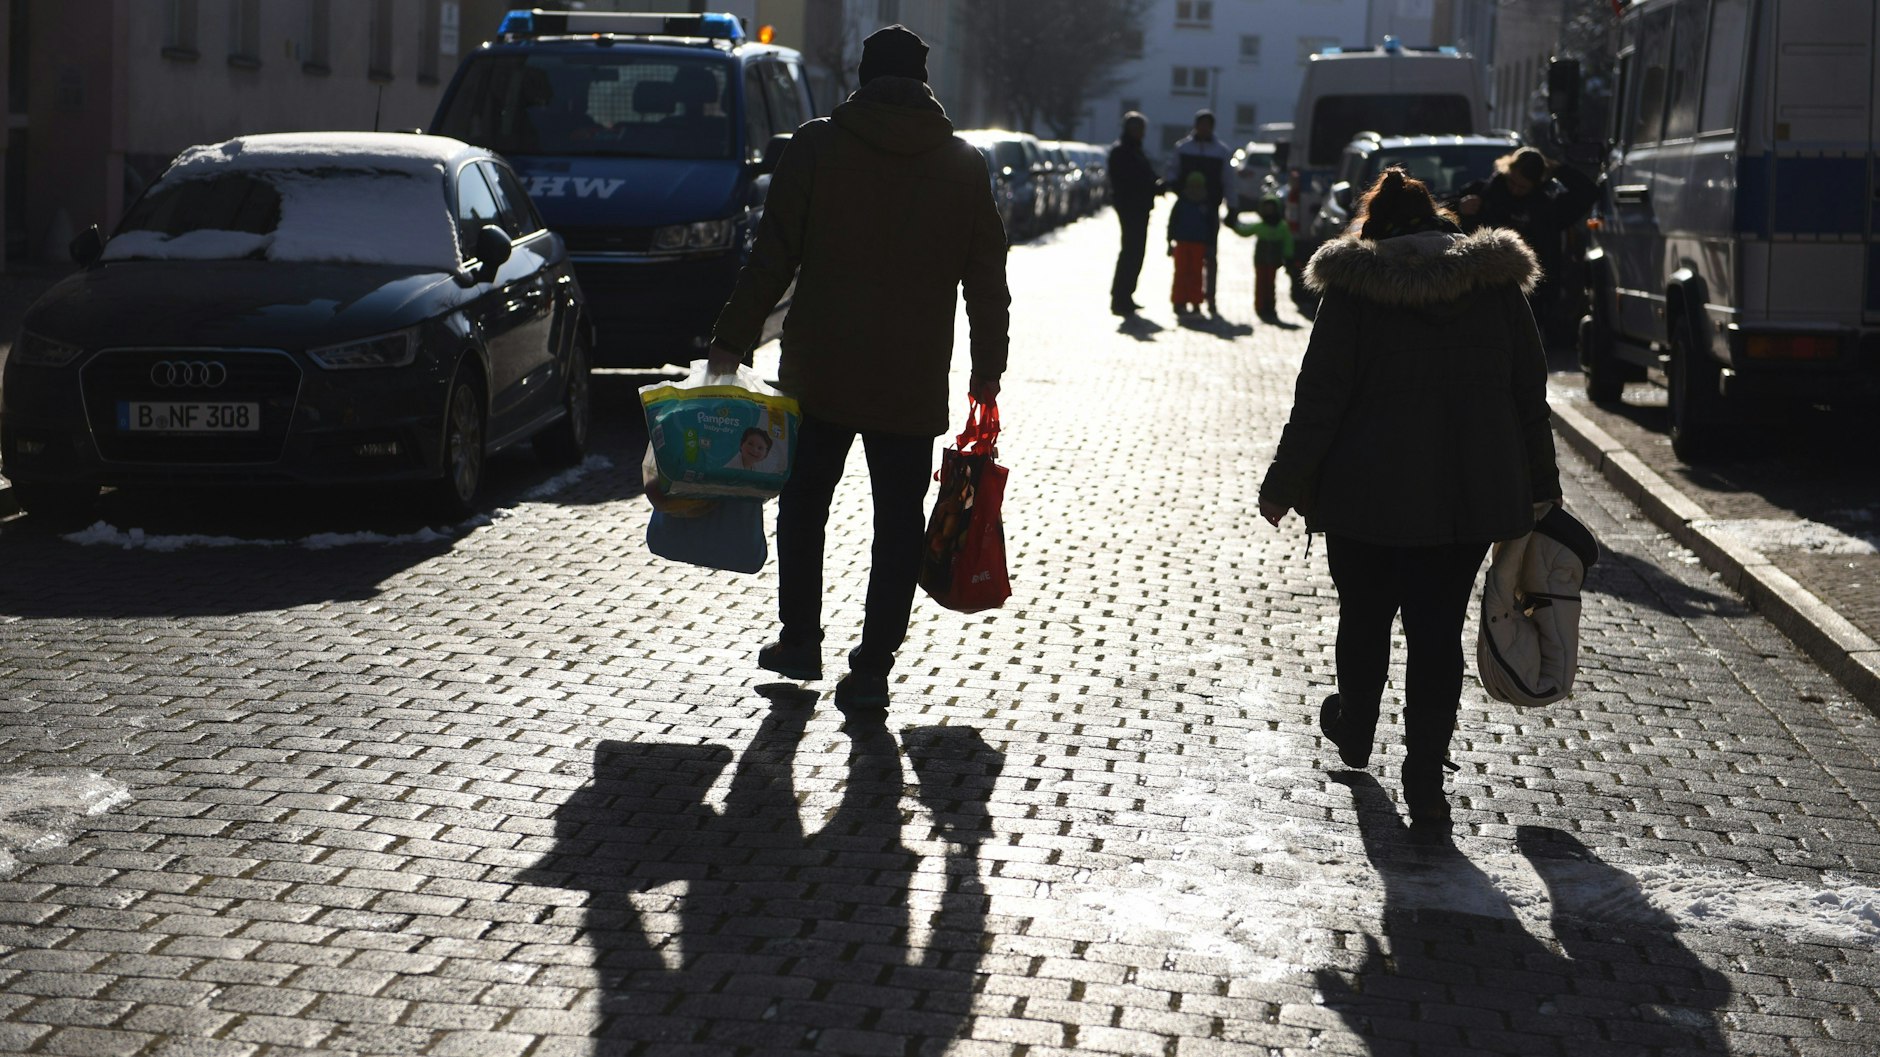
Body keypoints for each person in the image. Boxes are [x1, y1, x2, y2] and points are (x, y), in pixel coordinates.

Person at [706, 23, 1009, 713]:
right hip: (911, 376)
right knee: (898, 523)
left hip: (821, 369)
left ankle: (799, 639)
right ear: (924, 84)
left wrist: (731, 339)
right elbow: (987, 281)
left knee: (804, 505)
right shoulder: (963, 163)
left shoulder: (817, 146)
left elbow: (771, 257)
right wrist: (986, 372)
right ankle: (872, 668)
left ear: (863, 79)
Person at [1258, 167, 1562, 829]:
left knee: (1364, 618)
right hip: (1464, 498)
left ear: (1374, 229)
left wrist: (1284, 484)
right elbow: (1528, 397)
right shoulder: (1495, 287)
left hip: (1364, 495)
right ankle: (1425, 778)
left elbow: (1320, 400)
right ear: (1441, 221)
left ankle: (1356, 725)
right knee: (1436, 633)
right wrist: (1543, 488)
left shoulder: (1353, 290)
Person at [1454, 147, 1596, 347]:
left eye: (1522, 187)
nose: (1515, 190)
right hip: (1485, 287)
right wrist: (1460, 207)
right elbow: (1442, 212)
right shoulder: (1484, 194)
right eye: (1511, 182)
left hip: (1533, 290)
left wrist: (1556, 169)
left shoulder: (1548, 207)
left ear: (1535, 184)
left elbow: (1587, 192)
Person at [1166, 109, 1233, 316]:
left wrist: (1233, 205)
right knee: (1184, 261)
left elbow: (1228, 180)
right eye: (1201, 124)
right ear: (1195, 126)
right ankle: (1182, 298)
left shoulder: (1220, 151)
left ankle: (1208, 296)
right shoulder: (1183, 148)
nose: (1204, 128)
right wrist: (1175, 187)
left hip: (1210, 209)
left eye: (1207, 125)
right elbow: (1172, 170)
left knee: (1209, 255)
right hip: (1187, 207)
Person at [1107, 111, 1164, 316]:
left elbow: (1146, 176)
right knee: (1131, 251)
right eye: (1138, 129)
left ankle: (1126, 294)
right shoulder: (1122, 151)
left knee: (1135, 251)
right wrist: (1151, 186)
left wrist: (1156, 184)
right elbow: (1129, 180)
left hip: (1139, 206)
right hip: (1130, 207)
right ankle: (1120, 296)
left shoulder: (1136, 151)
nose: (1141, 133)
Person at [1224, 192, 1296, 322]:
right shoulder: (1260, 226)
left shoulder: (1282, 227)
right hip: (1261, 261)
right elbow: (1245, 231)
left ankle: (1270, 306)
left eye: (1271, 208)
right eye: (1266, 208)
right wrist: (1234, 226)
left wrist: (1288, 257)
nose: (1269, 211)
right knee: (1260, 284)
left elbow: (1288, 242)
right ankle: (1260, 306)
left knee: (1270, 285)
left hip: (1273, 261)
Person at [1166, 171, 1214, 314]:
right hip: (1182, 242)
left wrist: (1210, 244)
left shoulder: (1206, 204)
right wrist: (1169, 241)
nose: (1195, 189)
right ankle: (1178, 301)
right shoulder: (1181, 202)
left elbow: (1211, 226)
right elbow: (1172, 222)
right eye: (1192, 186)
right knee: (1181, 273)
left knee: (1196, 274)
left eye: (1198, 186)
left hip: (1199, 244)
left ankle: (1195, 300)